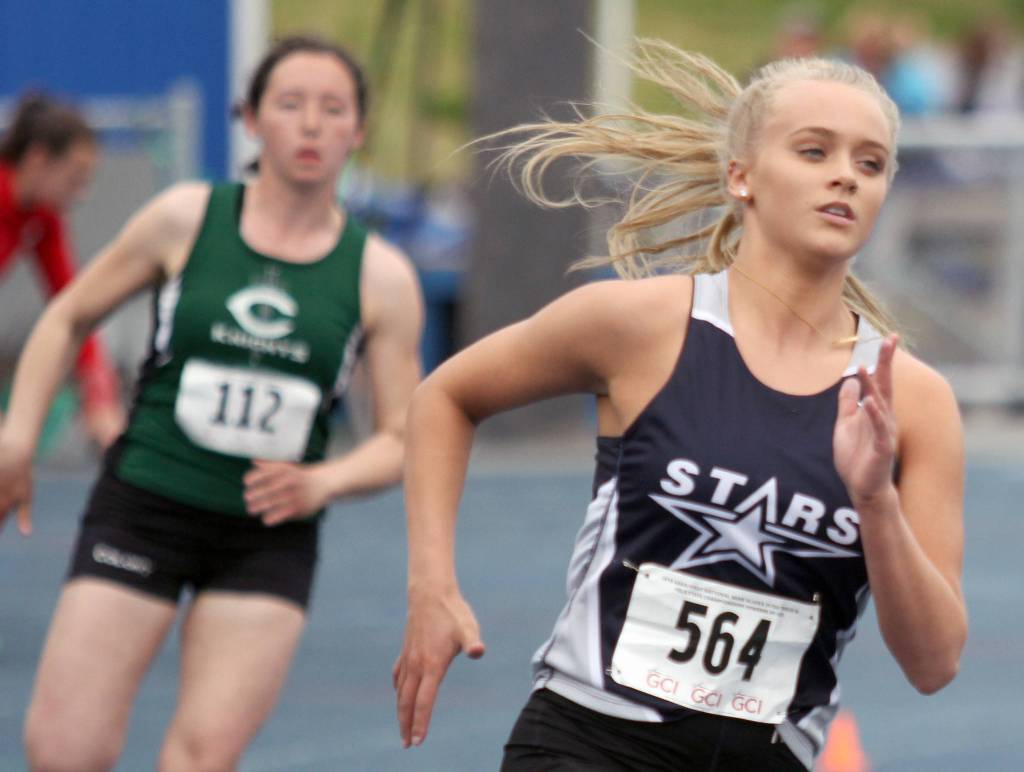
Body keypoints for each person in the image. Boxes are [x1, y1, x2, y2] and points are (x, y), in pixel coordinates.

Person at [394, 41, 966, 771]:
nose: (844, 178)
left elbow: (934, 662)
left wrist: (874, 501)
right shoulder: (640, 326)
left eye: (870, 163)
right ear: (742, 176)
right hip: (591, 741)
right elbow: (446, 394)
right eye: (814, 151)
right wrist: (431, 587)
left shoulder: (911, 399)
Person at [0, 35, 423, 771]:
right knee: (62, 751)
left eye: (333, 109)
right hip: (146, 504)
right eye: (291, 104)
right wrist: (16, 435)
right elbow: (68, 315)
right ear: (251, 119)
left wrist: (323, 481)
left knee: (199, 761)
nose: (312, 124)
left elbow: (403, 437)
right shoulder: (185, 218)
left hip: (266, 535)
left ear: (358, 132)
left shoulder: (382, 278)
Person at [0, 92, 124, 448]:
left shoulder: (40, 217)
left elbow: (74, 306)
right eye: (75, 177)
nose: (81, 193)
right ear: (38, 160)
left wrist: (99, 395)